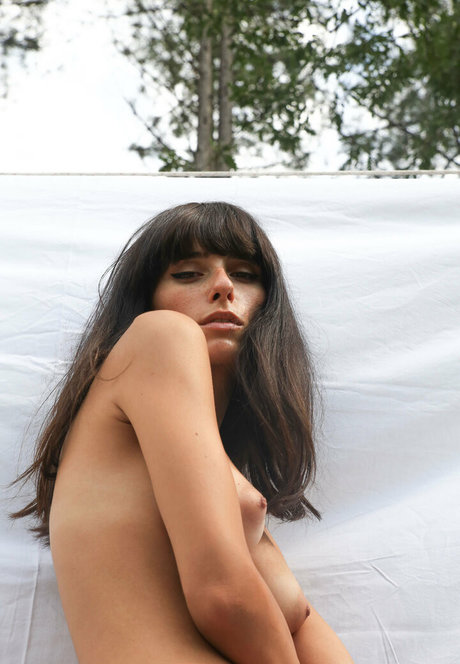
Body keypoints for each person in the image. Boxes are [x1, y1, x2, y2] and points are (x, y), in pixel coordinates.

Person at [12, 202, 353, 663]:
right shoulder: (161, 334)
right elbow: (222, 595)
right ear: (147, 298)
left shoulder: (211, 459)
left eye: (245, 275)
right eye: (189, 274)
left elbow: (298, 619)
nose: (223, 287)